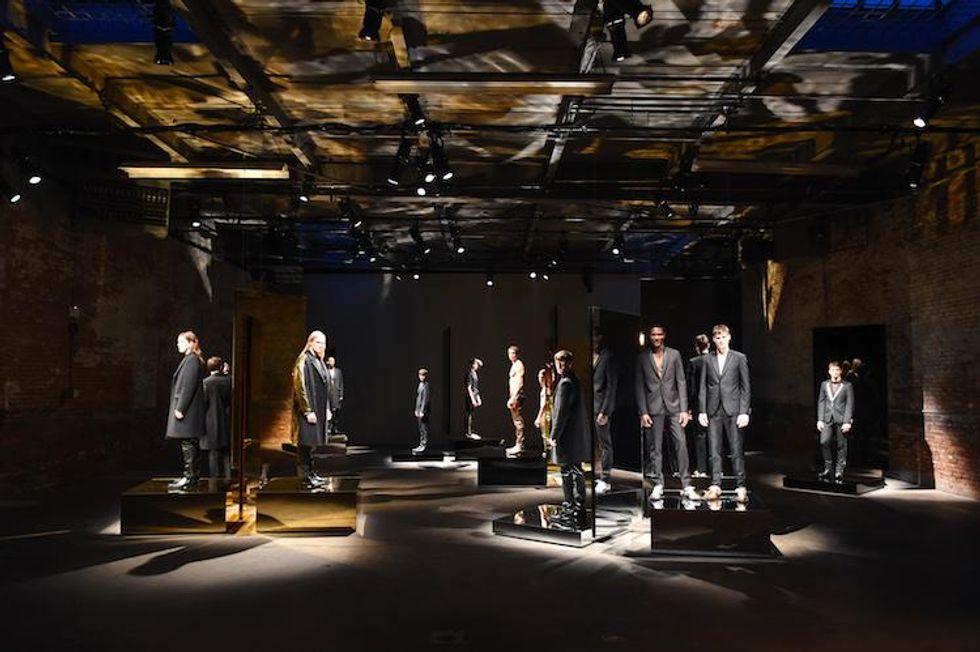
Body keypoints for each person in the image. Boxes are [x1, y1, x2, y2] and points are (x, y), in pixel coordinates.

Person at [636, 324, 699, 503]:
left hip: (674, 406)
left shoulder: (674, 354)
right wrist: (643, 411)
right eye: (653, 334)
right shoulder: (642, 358)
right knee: (655, 448)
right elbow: (639, 386)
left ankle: (686, 484)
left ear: (664, 335)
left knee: (681, 443)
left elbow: (681, 381)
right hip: (653, 407)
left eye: (659, 334)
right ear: (650, 336)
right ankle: (658, 484)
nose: (656, 337)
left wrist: (684, 409)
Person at [698, 324, 752, 503]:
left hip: (733, 409)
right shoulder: (708, 359)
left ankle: (741, 486)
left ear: (729, 337)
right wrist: (702, 410)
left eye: (723, 337)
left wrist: (744, 411)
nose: (720, 341)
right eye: (717, 338)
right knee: (714, 450)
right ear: (713, 340)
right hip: (713, 409)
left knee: (736, 450)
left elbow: (745, 386)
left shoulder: (739, 358)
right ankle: (715, 485)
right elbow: (703, 387)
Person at [550, 350, 590, 530]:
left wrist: (554, 435)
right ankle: (578, 508)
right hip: (574, 436)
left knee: (567, 472)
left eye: (563, 362)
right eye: (558, 362)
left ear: (570, 363)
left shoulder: (566, 383)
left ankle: (570, 509)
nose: (560, 365)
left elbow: (561, 413)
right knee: (576, 471)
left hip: (567, 436)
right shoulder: (574, 380)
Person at [166, 331, 207, 491]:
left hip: (188, 411)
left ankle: (190, 477)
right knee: (189, 443)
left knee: (189, 444)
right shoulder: (190, 360)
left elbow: (188, 386)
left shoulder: (192, 361)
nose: (178, 345)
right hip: (189, 411)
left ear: (191, 343)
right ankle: (190, 476)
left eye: (181, 342)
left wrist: (181, 407)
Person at [291, 331, 330, 488]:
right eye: (319, 342)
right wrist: (307, 410)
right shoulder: (304, 360)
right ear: (311, 342)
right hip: (307, 411)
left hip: (317, 409)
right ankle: (305, 476)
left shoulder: (318, 360)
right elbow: (300, 387)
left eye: (324, 343)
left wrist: (326, 408)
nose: (322, 346)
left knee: (312, 444)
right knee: (305, 444)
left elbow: (325, 387)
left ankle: (311, 473)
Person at [817, 361, 854, 482]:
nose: (835, 372)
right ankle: (828, 468)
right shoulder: (824, 384)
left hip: (841, 418)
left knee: (841, 445)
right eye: (833, 370)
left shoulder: (847, 385)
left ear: (841, 371)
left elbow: (849, 404)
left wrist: (847, 421)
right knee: (824, 442)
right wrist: (820, 419)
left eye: (837, 370)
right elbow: (821, 401)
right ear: (829, 371)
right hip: (827, 418)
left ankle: (839, 471)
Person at [593, 329, 617, 494]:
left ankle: (606, 479)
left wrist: (606, 410)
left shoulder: (608, 356)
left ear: (600, 338)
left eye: (595, 336)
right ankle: (596, 475)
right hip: (588, 406)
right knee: (593, 443)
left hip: (600, 407)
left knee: (605, 444)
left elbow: (611, 386)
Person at [201, 356, 232, 482]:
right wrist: (227, 373)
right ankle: (228, 477)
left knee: (213, 452)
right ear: (221, 366)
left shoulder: (206, 383)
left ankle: (214, 478)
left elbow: (203, 403)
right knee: (226, 452)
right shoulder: (229, 380)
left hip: (210, 420)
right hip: (226, 419)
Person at [686, 334, 710, 478]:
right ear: (709, 345)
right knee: (715, 436)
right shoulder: (715, 360)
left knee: (700, 436)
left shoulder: (694, 362)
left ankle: (701, 469)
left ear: (696, 347)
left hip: (698, 404)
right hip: (715, 403)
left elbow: (692, 387)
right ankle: (716, 469)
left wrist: (688, 406)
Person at [504, 345, 527, 456]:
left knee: (518, 421)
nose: (511, 355)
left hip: (517, 396)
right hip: (514, 395)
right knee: (516, 421)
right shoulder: (514, 365)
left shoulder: (519, 365)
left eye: (513, 353)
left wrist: (514, 397)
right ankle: (518, 444)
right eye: (509, 353)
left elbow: (520, 382)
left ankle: (520, 445)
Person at [533, 367, 554, 455]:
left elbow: (544, 405)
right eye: (539, 377)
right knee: (545, 435)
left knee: (546, 435)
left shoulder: (546, 390)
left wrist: (538, 417)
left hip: (546, 415)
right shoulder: (545, 389)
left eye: (542, 377)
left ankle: (547, 452)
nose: (540, 379)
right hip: (547, 414)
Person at [463, 358, 483, 440]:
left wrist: (478, 397)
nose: (477, 366)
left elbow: (475, 388)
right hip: (470, 396)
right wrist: (472, 399)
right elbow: (469, 387)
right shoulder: (469, 373)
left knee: (472, 414)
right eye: (476, 364)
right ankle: (468, 432)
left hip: (474, 395)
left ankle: (471, 431)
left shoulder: (475, 374)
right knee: (469, 414)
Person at [325, 355, 344, 435]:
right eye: (330, 361)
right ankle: (328, 428)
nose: (332, 362)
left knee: (336, 412)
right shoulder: (325, 371)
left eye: (333, 361)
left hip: (336, 394)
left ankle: (335, 428)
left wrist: (341, 394)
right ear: (328, 362)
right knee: (329, 411)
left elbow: (341, 383)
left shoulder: (338, 371)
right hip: (328, 394)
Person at [413, 368, 431, 454]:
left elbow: (425, 399)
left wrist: (422, 411)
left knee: (424, 428)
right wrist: (416, 409)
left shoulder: (426, 385)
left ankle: (424, 445)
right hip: (419, 410)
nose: (421, 377)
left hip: (424, 411)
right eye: (420, 375)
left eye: (423, 375)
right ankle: (421, 444)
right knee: (420, 428)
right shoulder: (420, 384)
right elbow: (418, 398)